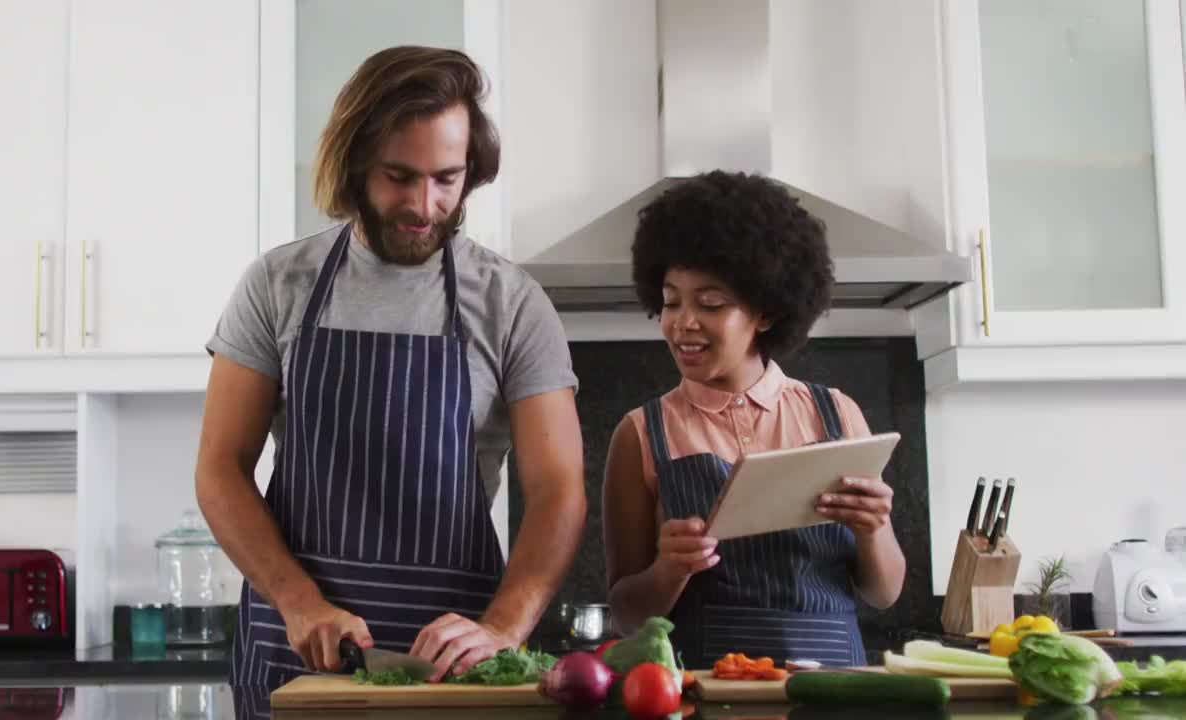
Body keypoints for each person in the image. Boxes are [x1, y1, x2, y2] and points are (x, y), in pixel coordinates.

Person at [195, 46, 585, 710]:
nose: (423, 204)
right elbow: (221, 468)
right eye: (398, 176)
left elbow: (558, 490)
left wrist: (502, 629)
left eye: (446, 178)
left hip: (453, 673)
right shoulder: (278, 286)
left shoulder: (512, 303)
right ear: (353, 164)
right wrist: (299, 603)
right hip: (300, 655)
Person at [602, 170, 906, 668]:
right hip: (710, 689)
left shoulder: (836, 414)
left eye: (711, 303)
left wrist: (874, 531)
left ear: (765, 312)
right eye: (671, 300)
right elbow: (627, 614)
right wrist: (668, 570)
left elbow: (884, 591)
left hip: (831, 690)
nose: (683, 322)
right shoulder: (640, 434)